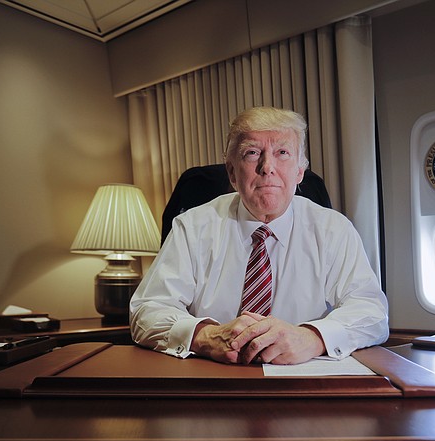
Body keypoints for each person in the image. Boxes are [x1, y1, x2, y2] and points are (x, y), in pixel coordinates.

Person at [129, 106, 388, 365]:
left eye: (282, 153)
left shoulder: (333, 230)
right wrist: (205, 336)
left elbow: (372, 313)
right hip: (214, 377)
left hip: (301, 380)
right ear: (232, 172)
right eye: (252, 153)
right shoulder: (192, 227)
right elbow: (147, 310)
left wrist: (313, 337)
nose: (267, 168)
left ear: (300, 171)